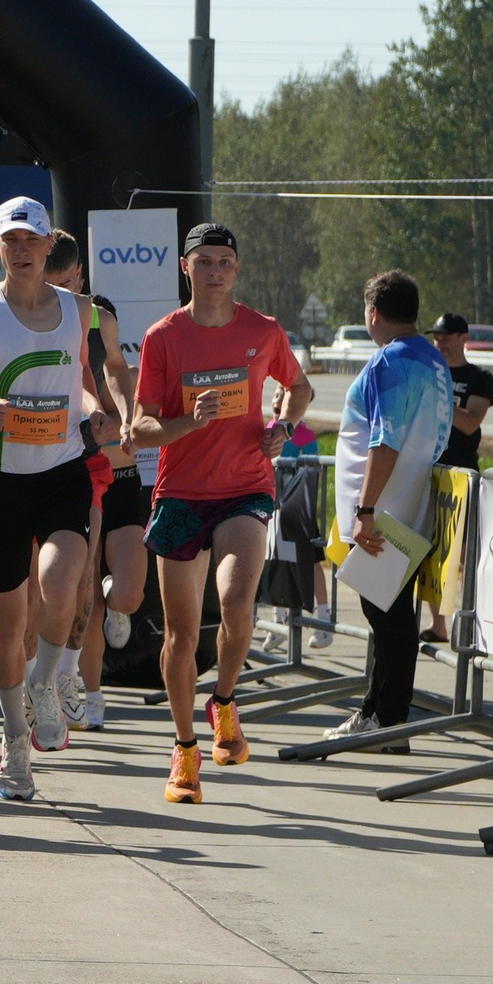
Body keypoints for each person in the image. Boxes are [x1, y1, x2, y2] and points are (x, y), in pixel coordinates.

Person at [129, 223, 310, 803]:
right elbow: (141, 428)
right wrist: (193, 422)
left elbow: (299, 388)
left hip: (245, 488)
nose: (214, 271)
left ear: (236, 270)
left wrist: (282, 425)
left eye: (224, 262)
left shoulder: (263, 330)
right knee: (182, 635)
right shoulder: (164, 337)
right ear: (186, 268)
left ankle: (225, 703)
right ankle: (184, 752)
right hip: (181, 493)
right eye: (203, 261)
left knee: (237, 606)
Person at [0, 198, 95, 801]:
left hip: (61, 473)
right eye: (12, 239)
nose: (23, 248)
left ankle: (46, 682)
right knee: (6, 624)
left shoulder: (78, 310)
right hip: (0, 479)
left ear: (49, 243)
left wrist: (101, 411)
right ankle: (13, 743)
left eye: (33, 238)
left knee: (61, 586)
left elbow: (82, 384)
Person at [327, 271, 451, 747]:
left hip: (384, 511)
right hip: (413, 503)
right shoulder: (433, 358)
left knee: (389, 620)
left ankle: (387, 720)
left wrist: (365, 510)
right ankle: (377, 713)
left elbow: (386, 440)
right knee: (391, 617)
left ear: (373, 314)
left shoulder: (389, 363)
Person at [43, 230, 146, 733]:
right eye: (51, 284)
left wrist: (122, 416)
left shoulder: (95, 316)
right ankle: (42, 682)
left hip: (93, 463)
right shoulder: (12, 311)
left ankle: (68, 677)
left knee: (90, 588)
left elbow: (112, 373)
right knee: (39, 591)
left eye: (69, 284)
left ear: (81, 277)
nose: (62, 295)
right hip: (30, 458)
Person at [428, 312, 493, 471]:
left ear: (464, 338)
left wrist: (433, 401)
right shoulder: (427, 374)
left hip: (460, 468)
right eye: (436, 339)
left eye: (446, 339)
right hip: (426, 466)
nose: (439, 345)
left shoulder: (480, 378)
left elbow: (470, 424)